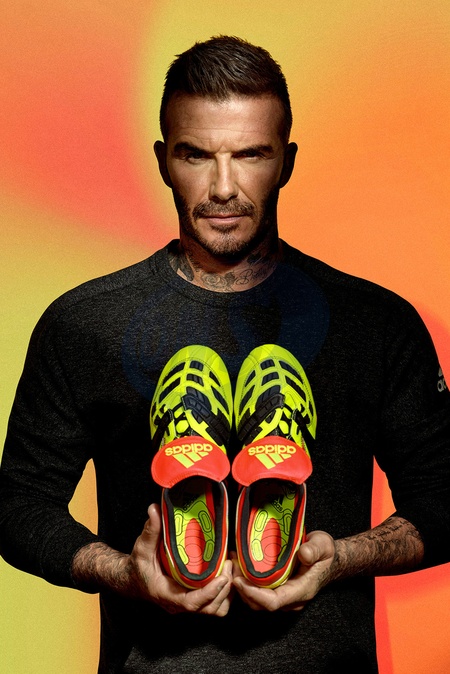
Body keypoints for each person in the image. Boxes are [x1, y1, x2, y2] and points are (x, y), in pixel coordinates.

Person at [1, 35, 450, 673]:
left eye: (250, 154)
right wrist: (125, 573)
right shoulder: (83, 324)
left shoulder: (377, 324)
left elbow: (444, 499)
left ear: (286, 160)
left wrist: (339, 559)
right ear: (163, 160)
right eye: (196, 154)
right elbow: (19, 505)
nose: (222, 187)